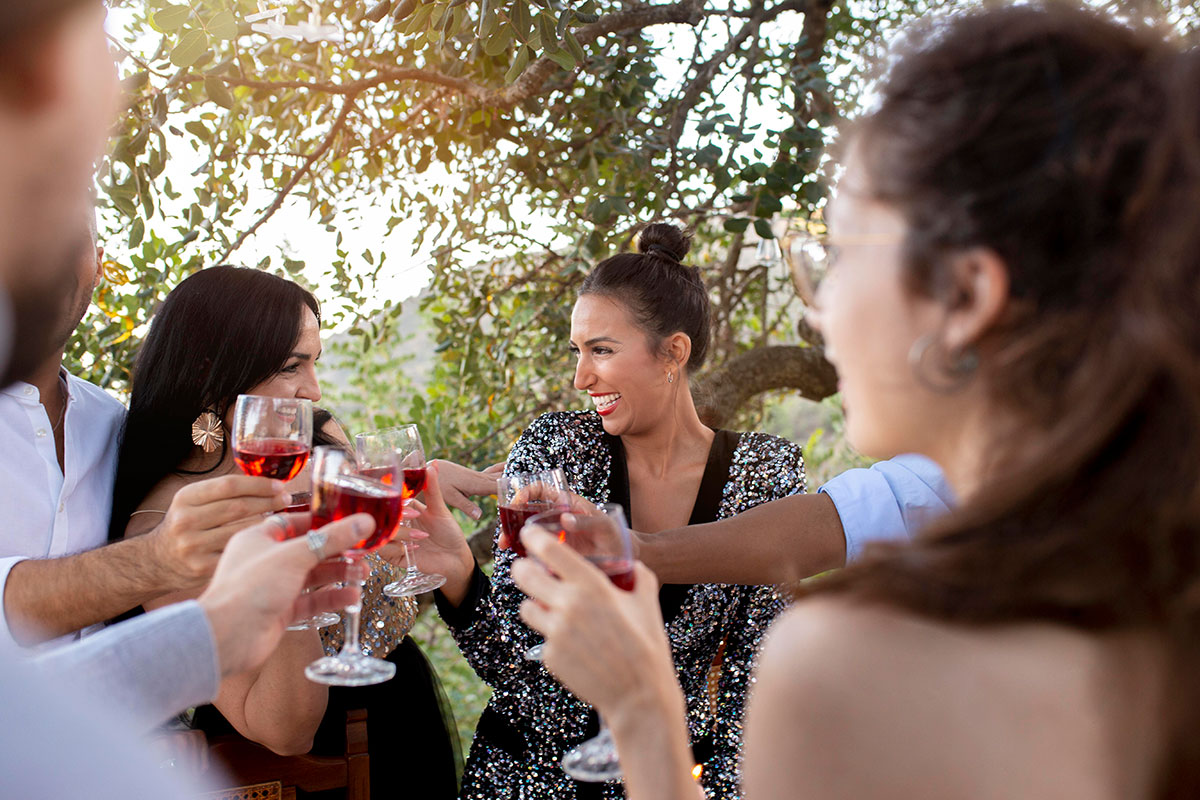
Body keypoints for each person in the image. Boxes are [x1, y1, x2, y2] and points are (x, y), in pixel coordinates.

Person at [512, 5, 1200, 798]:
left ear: (966, 294)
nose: (817, 308)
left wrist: (639, 709)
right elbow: (817, 527)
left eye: (835, 255)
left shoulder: (854, 666)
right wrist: (636, 553)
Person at [406, 223, 805, 798]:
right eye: (578, 351)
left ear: (674, 353)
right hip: (522, 781)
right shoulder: (555, 449)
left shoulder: (765, 473)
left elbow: (761, 684)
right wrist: (461, 580)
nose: (579, 377)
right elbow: (515, 662)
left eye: (602, 350)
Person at [110, 265, 463, 796]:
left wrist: (415, 490)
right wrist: (287, 562)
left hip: (400, 716)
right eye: (292, 366)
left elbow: (378, 527)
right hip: (312, 771)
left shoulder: (318, 439)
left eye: (314, 363)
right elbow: (281, 730)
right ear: (213, 368)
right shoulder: (167, 529)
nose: (313, 390)